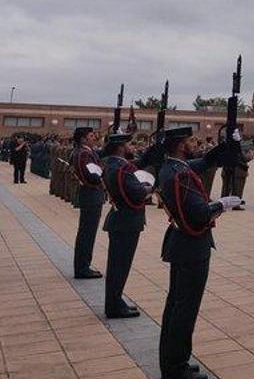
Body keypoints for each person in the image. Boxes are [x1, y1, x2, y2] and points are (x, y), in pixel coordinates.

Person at [158, 126, 240, 379]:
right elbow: (200, 213)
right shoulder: (180, 174)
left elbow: (207, 160)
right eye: (191, 140)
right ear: (182, 145)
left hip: (181, 244)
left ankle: (174, 360)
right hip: (191, 247)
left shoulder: (172, 167)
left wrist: (229, 144)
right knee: (185, 309)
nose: (195, 143)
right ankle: (176, 368)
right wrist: (221, 204)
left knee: (177, 305)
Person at [101, 133, 152, 319]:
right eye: (129, 144)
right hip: (126, 222)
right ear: (121, 147)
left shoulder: (114, 164)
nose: (132, 147)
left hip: (121, 220)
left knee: (118, 266)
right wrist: (149, 188)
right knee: (119, 267)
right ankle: (114, 306)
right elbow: (137, 193)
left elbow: (136, 165)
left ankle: (115, 301)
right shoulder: (120, 168)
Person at [70, 127, 106, 279]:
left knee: (86, 233)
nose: (94, 138)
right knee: (87, 234)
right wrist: (103, 174)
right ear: (83, 139)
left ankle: (83, 266)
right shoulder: (84, 154)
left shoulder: (84, 152)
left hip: (90, 195)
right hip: (91, 195)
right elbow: (93, 176)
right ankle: (82, 268)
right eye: (91, 136)